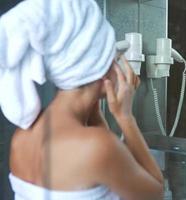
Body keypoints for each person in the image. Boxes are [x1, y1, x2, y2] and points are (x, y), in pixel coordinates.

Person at [0, 0, 163, 199]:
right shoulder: (98, 146)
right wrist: (125, 118)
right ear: (100, 66)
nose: (119, 65)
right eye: (114, 58)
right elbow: (155, 194)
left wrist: (94, 101)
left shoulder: (22, 136)